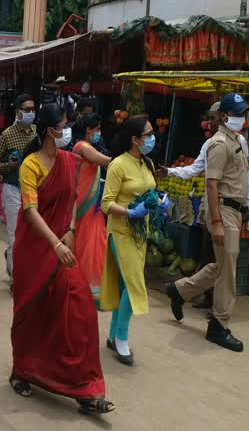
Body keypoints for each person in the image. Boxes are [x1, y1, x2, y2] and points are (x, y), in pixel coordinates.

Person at [9, 102, 113, 415]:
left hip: (62, 244)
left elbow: (73, 199)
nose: (68, 130)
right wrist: (56, 243)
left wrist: (69, 230)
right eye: (64, 124)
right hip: (35, 248)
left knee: (80, 311)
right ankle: (23, 371)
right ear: (49, 130)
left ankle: (86, 388)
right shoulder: (31, 165)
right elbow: (30, 210)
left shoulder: (70, 160)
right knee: (35, 312)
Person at [165, 94, 249, 352]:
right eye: (238, 114)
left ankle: (179, 290)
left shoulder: (238, 140)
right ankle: (218, 325)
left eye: (244, 113)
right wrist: (217, 222)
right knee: (227, 270)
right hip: (223, 210)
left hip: (234, 209)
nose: (242, 118)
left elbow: (238, 172)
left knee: (222, 266)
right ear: (224, 117)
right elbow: (211, 183)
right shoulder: (218, 144)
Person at [100, 116, 166, 366]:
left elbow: (148, 191)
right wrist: (129, 212)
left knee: (125, 283)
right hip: (121, 231)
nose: (152, 138)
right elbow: (106, 203)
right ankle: (122, 339)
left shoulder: (147, 162)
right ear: (135, 139)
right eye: (148, 135)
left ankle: (112, 335)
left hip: (142, 232)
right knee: (134, 284)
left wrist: (159, 202)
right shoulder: (118, 164)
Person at [0, 94, 37, 289]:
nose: (31, 113)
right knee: (14, 235)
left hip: (33, 189)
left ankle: (21, 268)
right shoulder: (7, 135)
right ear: (18, 111)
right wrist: (10, 165)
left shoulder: (36, 132)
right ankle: (15, 281)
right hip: (12, 189)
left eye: (33, 109)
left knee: (30, 234)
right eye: (27, 109)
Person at [71, 113, 111, 291]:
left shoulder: (87, 145)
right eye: (97, 129)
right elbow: (105, 161)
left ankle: (91, 283)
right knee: (86, 240)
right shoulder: (82, 146)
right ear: (88, 130)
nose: (99, 132)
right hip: (84, 202)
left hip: (91, 202)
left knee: (94, 240)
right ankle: (84, 282)